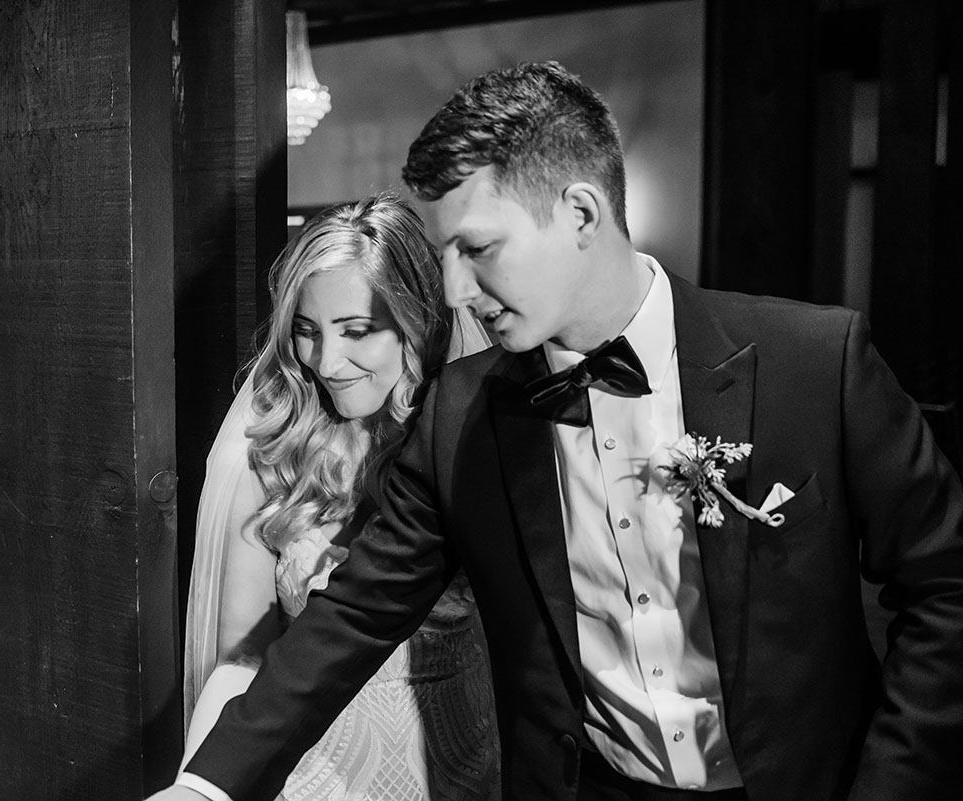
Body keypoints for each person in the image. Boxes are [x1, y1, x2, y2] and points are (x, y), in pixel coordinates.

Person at [162, 62, 963, 801]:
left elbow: (945, 589)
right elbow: (351, 617)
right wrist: (207, 788)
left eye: (476, 250)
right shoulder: (460, 414)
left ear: (580, 211)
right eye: (444, 254)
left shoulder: (814, 365)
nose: (452, 289)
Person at [174, 193, 500, 801]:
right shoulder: (277, 446)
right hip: (315, 771)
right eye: (306, 332)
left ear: (417, 319)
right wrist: (199, 784)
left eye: (356, 331)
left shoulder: (477, 437)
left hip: (460, 759)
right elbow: (242, 659)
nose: (326, 361)